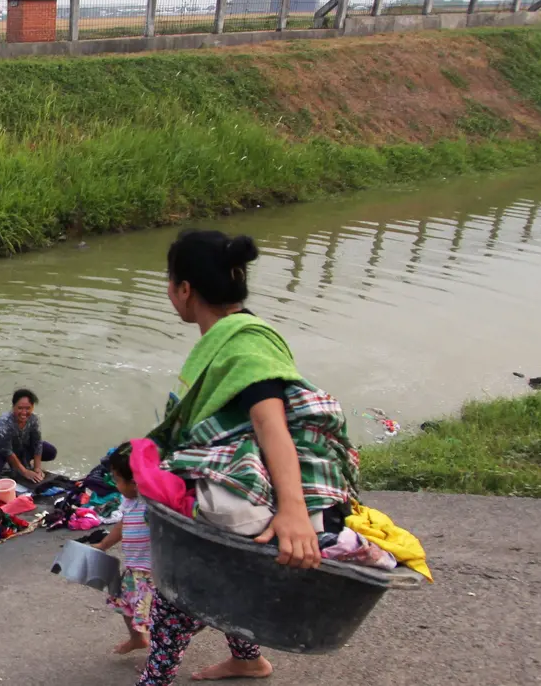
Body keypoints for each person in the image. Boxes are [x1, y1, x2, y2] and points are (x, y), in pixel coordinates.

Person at [136, 229, 362, 686]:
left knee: (176, 598)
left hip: (264, 488)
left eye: (169, 282)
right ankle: (248, 659)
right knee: (236, 576)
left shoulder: (242, 345)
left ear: (184, 290)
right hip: (252, 479)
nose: (169, 292)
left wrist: (295, 513)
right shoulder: (241, 334)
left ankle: (154, 681)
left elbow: (269, 423)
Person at [94, 444, 152, 655]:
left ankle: (158, 658)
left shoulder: (151, 504)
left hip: (152, 572)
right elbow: (123, 525)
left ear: (135, 483)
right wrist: (103, 545)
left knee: (154, 618)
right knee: (124, 603)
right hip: (133, 567)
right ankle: (137, 640)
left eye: (117, 480)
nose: (115, 485)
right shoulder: (129, 500)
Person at [0, 389, 56, 482]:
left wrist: (37, 468)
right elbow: (6, 450)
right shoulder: (4, 422)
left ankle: (20, 462)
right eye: (20, 408)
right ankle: (13, 465)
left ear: (32, 407)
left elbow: (37, 444)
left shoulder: (34, 420)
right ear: (13, 407)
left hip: (20, 446)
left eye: (28, 408)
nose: (24, 413)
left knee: (51, 452)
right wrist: (25, 472)